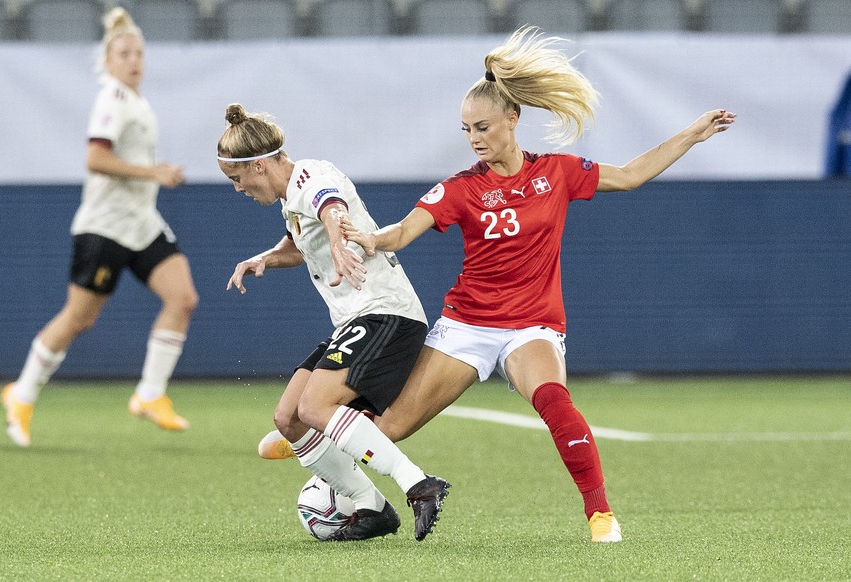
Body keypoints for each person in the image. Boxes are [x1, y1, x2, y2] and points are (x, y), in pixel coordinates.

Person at [262, 26, 736, 543]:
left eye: (483, 127)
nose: (475, 139)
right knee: (390, 428)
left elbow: (630, 175)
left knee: (554, 399)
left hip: (531, 324)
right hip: (466, 325)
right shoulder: (462, 188)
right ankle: (316, 442)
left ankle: (600, 515)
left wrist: (692, 134)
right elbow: (401, 232)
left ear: (513, 119)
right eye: (467, 130)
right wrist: (373, 239)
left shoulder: (556, 172)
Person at [218, 103, 450, 542]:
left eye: (237, 179)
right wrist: (263, 258)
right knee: (289, 418)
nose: (237, 189)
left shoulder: (310, 177)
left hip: (386, 312)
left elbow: (330, 206)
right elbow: (302, 242)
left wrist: (340, 237)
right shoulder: (292, 199)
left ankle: (418, 484)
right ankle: (370, 508)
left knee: (314, 408)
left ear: (260, 165)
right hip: (356, 319)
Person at [1, 7, 198, 446]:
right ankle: (22, 392)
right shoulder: (111, 97)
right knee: (79, 318)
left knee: (182, 298)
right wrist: (155, 174)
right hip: (105, 226)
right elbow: (95, 159)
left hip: (141, 222)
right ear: (108, 62)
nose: (134, 60)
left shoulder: (137, 102)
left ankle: (149, 394)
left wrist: (154, 175)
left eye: (139, 53)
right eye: (124, 53)